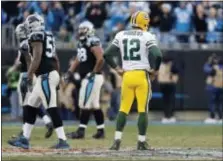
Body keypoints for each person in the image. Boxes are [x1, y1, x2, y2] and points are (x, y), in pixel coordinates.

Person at [9, 14, 69, 149]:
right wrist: (58, 76)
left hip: (46, 75)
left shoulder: (36, 36)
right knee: (31, 106)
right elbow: (55, 59)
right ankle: (25, 138)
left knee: (51, 108)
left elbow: (36, 58)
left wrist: (29, 75)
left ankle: (63, 140)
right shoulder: (48, 35)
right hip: (47, 75)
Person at [104, 11, 162, 150]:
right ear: (145, 22)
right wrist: (155, 69)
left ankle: (117, 141)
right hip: (142, 75)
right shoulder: (147, 35)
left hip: (127, 76)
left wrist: (117, 68)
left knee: (123, 109)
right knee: (143, 110)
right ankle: (141, 142)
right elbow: (158, 55)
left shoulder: (121, 34)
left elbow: (107, 54)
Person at [8, 23, 54, 144]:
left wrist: (23, 75)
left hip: (26, 74)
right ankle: (45, 121)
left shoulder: (25, 43)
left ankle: (25, 133)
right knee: (31, 103)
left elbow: (25, 61)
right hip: (32, 74)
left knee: (27, 104)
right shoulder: (32, 41)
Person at [64, 21, 105, 139]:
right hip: (89, 77)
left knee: (84, 103)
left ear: (90, 30)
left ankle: (80, 131)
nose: (81, 31)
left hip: (92, 77)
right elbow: (78, 59)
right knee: (94, 105)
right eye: (80, 29)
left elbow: (100, 58)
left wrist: (93, 72)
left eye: (83, 29)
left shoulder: (93, 40)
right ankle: (101, 131)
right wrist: (69, 72)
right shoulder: (81, 43)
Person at [158, 55, 179, 123]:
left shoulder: (172, 66)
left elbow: (176, 73)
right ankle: (166, 116)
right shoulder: (161, 66)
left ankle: (170, 116)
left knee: (170, 100)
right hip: (165, 84)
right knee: (166, 101)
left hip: (170, 84)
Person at [204, 54, 223, 124]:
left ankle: (212, 117)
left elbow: (206, 70)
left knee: (212, 102)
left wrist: (209, 62)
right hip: (221, 87)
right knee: (220, 102)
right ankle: (221, 117)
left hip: (214, 87)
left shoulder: (214, 67)